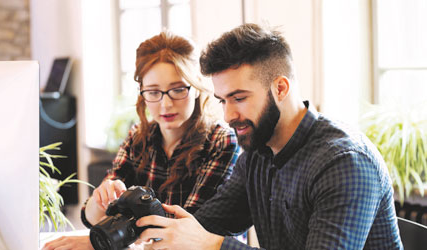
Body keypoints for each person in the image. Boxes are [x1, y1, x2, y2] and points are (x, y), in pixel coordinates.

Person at [135, 23, 403, 249]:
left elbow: (206, 239)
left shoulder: (345, 163)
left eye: (238, 98)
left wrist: (214, 245)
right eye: (222, 101)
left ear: (281, 88)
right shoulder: (257, 154)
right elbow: (202, 226)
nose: (228, 116)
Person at [42, 31, 240, 250]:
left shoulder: (221, 141)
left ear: (196, 88)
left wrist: (97, 240)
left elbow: (189, 228)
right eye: (153, 92)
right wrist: (101, 199)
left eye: (177, 90)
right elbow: (91, 217)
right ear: (142, 93)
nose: (165, 104)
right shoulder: (139, 136)